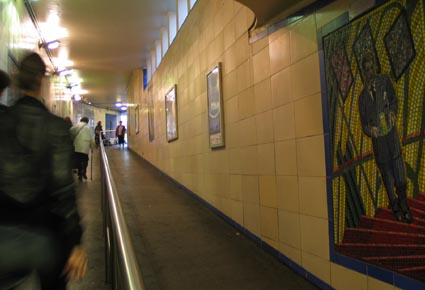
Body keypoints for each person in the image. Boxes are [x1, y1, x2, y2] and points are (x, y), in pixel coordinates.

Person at [0, 52, 87, 290]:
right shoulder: (56, 127)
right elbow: (64, 190)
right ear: (42, 81)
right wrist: (75, 242)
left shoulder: (3, 121)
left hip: (5, 235)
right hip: (48, 236)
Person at [358, 52, 412, 223]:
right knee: (387, 177)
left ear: (376, 66)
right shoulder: (362, 98)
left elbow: (394, 101)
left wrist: (392, 113)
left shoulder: (385, 81)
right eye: (366, 70)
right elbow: (364, 124)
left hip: (391, 136)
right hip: (379, 143)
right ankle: (396, 208)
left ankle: (404, 204)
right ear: (364, 72)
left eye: (371, 67)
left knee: (400, 175)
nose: (370, 72)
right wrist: (370, 130)